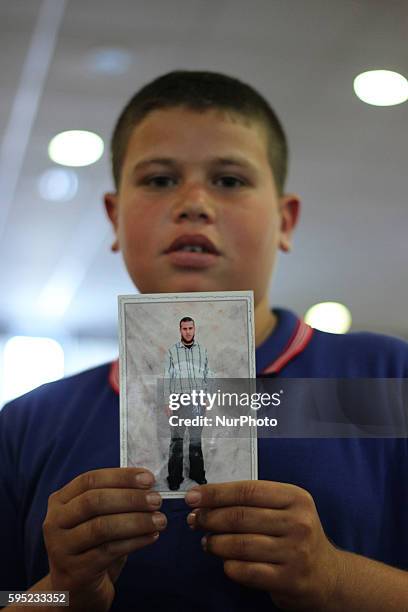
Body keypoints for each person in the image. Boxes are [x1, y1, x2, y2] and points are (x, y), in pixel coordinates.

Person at [1, 70, 407, 612]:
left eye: (230, 180)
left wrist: (335, 581)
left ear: (285, 220)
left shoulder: (383, 380)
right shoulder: (29, 423)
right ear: (115, 217)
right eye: (160, 180)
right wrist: (62, 592)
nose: (194, 202)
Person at [165, 316, 208, 490]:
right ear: (180, 330)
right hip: (178, 401)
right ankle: (174, 478)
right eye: (184, 329)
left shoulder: (202, 350)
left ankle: (197, 474)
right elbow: (168, 376)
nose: (188, 332)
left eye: (191, 328)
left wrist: (206, 397)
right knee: (177, 440)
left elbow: (206, 374)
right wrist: (168, 401)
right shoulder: (172, 351)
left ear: (194, 329)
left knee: (196, 440)